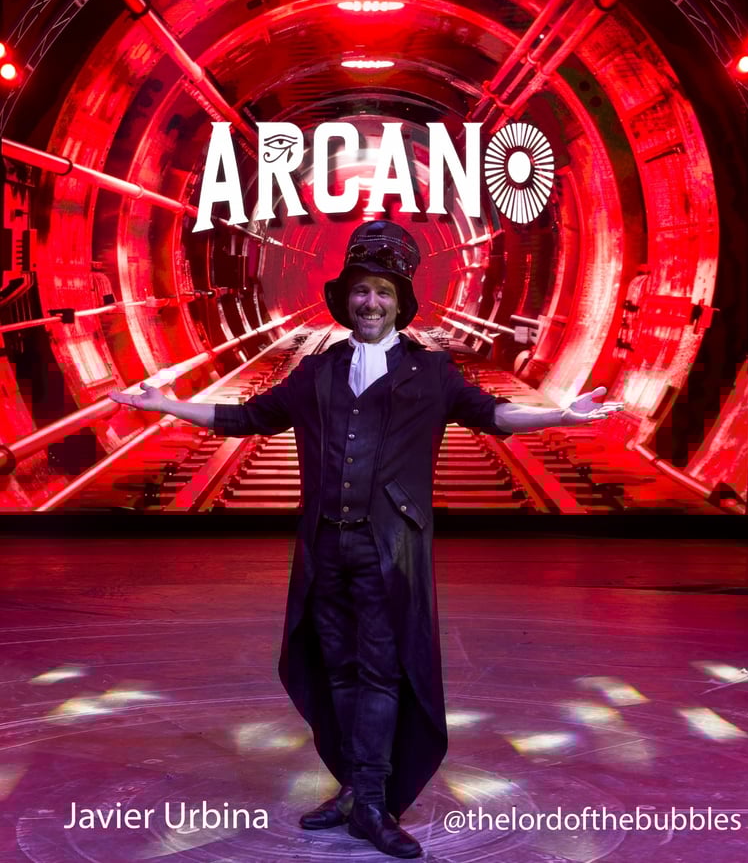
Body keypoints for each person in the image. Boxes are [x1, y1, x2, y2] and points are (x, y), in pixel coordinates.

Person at [109, 219, 623, 858]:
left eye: (383, 292)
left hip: (390, 551)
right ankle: (354, 788)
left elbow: (493, 414)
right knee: (338, 670)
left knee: (381, 672)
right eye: (360, 291)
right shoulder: (316, 372)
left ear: (400, 303)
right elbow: (248, 417)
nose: (370, 302)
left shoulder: (432, 373)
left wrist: (560, 414)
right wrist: (168, 405)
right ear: (345, 300)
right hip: (325, 547)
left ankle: (374, 803)